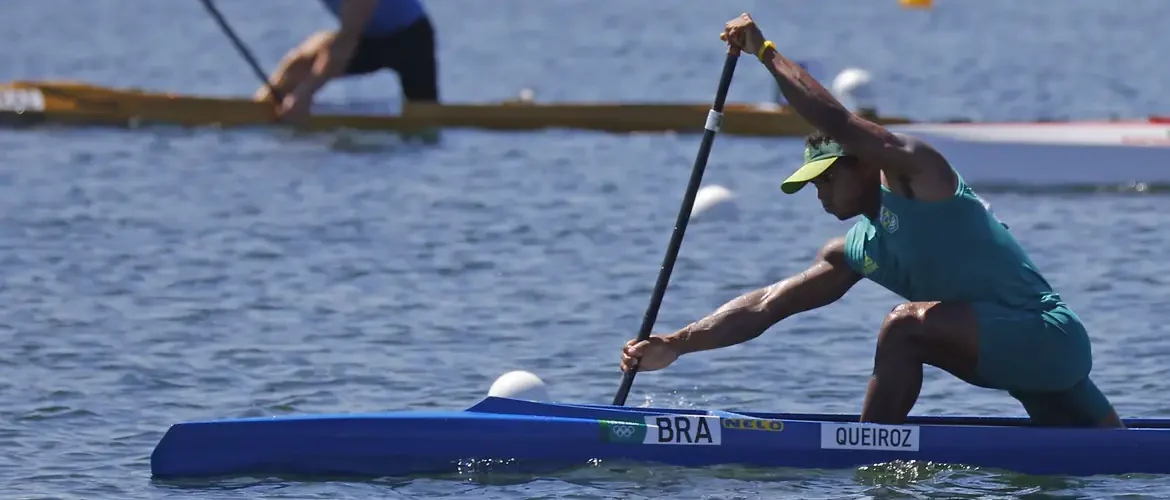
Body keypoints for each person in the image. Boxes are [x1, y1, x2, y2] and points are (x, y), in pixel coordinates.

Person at [619, 13, 1124, 429]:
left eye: (825, 178)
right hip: (1025, 364)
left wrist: (765, 52)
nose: (819, 193)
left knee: (903, 327)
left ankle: (869, 450)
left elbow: (839, 123)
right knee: (1114, 457)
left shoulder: (920, 178)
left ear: (863, 163)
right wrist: (676, 344)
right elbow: (767, 306)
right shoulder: (858, 248)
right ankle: (871, 447)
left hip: (1046, 336)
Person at [255, 0, 439, 122]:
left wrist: (305, 94)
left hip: (411, 40)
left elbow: (346, 42)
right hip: (366, 35)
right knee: (299, 63)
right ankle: (257, 107)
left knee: (425, 117)